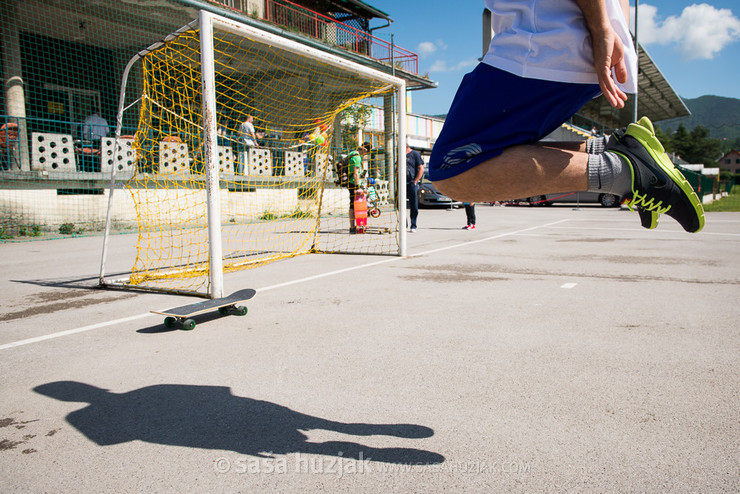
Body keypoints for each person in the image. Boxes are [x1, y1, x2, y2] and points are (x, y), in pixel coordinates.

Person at [429, 0, 704, 234]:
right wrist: (608, 27)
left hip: (541, 45)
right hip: (557, 41)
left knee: (453, 170)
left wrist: (601, 29)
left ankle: (632, 174)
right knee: (490, 152)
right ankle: (616, 150)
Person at [347, 142, 372, 233]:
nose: (365, 155)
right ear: (364, 150)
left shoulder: (351, 153)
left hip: (350, 182)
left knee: (352, 204)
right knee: (358, 205)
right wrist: (358, 187)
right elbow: (355, 173)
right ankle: (357, 225)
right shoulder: (357, 157)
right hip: (354, 184)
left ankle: (354, 225)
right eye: (366, 153)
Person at [406, 144, 424, 232]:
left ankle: (413, 225)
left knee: (413, 203)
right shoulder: (399, 154)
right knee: (399, 204)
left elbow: (421, 169)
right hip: (402, 183)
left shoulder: (415, 154)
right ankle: (403, 223)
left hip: (412, 182)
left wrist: (415, 180)